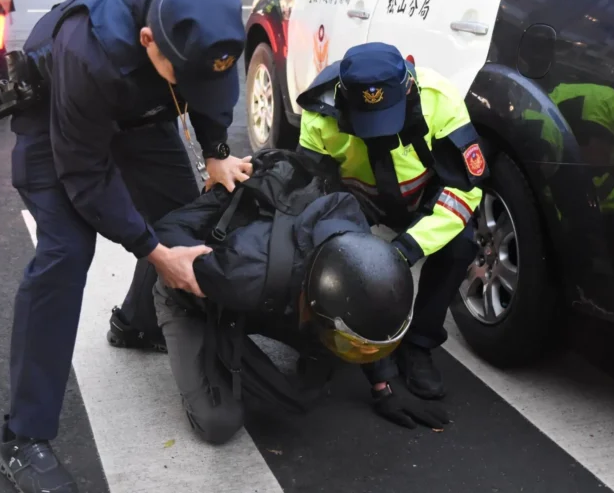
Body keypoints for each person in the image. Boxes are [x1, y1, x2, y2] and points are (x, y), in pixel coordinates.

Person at [0, 0, 252, 493]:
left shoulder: (209, 13)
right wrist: (153, 250)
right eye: (186, 74)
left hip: (140, 110)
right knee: (66, 253)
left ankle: (135, 324)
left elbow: (212, 89)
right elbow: (86, 176)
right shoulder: (89, 48)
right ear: (147, 41)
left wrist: (217, 153)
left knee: (183, 219)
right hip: (59, 117)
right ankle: (23, 438)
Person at [149, 148, 450, 445]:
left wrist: (385, 384)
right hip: (197, 291)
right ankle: (138, 323)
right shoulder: (242, 272)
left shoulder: (354, 237)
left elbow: (362, 307)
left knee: (340, 347)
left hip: (288, 287)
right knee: (218, 422)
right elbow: (166, 239)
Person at [296, 43, 488, 401]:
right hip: (358, 200)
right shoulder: (318, 117)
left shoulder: (440, 99)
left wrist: (407, 248)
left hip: (422, 197)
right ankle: (338, 343)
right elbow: (314, 199)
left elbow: (464, 191)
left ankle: (418, 345)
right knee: (328, 254)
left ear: (409, 88)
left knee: (459, 245)